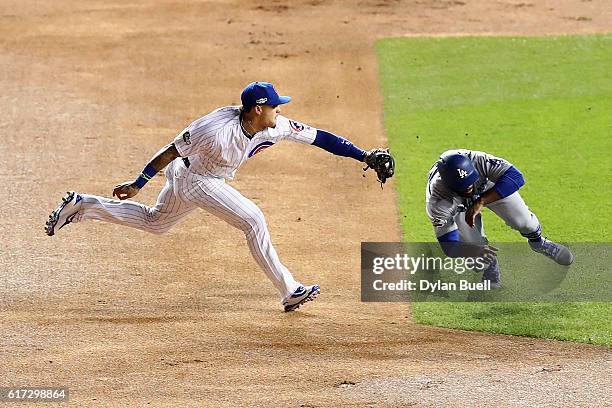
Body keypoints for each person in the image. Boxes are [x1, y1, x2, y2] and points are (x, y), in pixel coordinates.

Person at [45, 81, 392, 312]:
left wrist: (363, 155)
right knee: (253, 220)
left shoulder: (275, 126)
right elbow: (170, 151)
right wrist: (139, 181)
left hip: (198, 177)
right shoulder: (214, 128)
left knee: (155, 223)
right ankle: (289, 290)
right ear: (257, 109)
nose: (280, 111)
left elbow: (321, 138)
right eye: (274, 106)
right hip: (195, 177)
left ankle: (83, 205)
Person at [426, 149, 574, 287]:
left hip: (487, 187)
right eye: (463, 186)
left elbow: (516, 177)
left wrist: (481, 201)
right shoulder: (438, 202)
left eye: (470, 181)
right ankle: (489, 266)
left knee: (525, 222)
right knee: (475, 253)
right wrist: (472, 251)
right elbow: (448, 245)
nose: (469, 187)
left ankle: (539, 243)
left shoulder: (478, 161)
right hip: (456, 203)